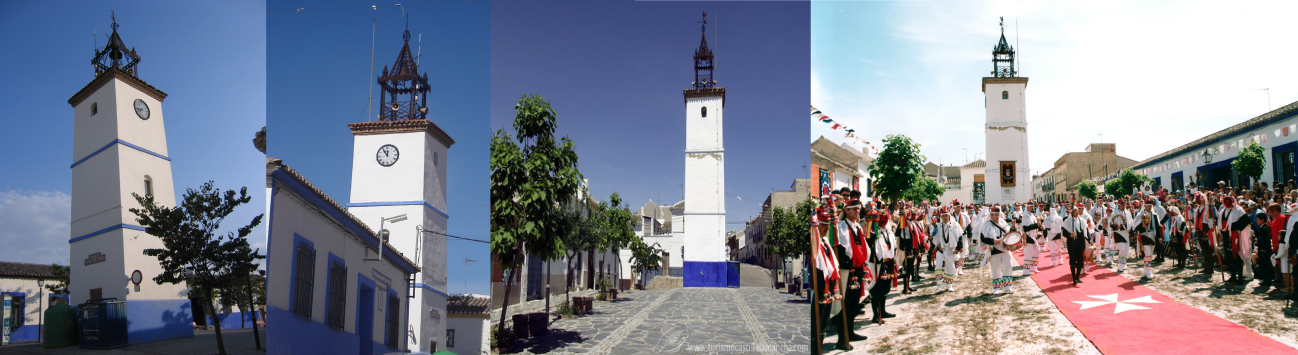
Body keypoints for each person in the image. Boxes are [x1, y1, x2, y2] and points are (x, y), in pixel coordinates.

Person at [831, 198, 868, 349]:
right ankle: (842, 338)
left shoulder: (857, 227)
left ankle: (850, 332)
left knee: (854, 303)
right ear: (846, 211)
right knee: (843, 304)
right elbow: (840, 249)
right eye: (853, 208)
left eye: (858, 208)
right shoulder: (839, 227)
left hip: (857, 269)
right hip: (846, 270)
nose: (857, 210)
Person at [868, 202, 898, 325]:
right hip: (878, 263)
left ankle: (883, 310)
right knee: (876, 289)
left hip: (888, 262)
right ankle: (876, 314)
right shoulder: (872, 232)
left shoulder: (889, 232)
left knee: (885, 288)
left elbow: (893, 246)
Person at [981, 205, 1014, 294]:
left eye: (998, 214)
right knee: (995, 269)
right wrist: (993, 240)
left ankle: (1008, 287)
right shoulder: (987, 225)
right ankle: (996, 288)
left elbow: (1009, 233)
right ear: (991, 215)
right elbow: (983, 238)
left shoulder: (1003, 223)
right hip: (994, 249)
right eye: (995, 214)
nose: (997, 216)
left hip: (1005, 248)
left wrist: (1013, 227)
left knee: (1008, 266)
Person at [934, 208, 963, 292]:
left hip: (950, 249)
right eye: (943, 216)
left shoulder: (955, 225)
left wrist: (958, 248)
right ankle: (939, 283)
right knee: (938, 264)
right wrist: (930, 237)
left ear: (949, 216)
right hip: (941, 249)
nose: (945, 217)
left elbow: (959, 236)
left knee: (949, 266)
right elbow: (934, 237)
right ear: (941, 217)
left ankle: (949, 285)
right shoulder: (938, 226)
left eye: (946, 215)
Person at [1064, 204, 1089, 285]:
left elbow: (1086, 231)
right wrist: (1069, 235)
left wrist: (1090, 239)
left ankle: (1078, 277)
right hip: (1072, 243)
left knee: (1080, 260)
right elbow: (1064, 232)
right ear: (1071, 212)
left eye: (1077, 210)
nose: (1076, 212)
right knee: (1073, 260)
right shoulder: (1067, 221)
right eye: (1074, 210)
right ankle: (1073, 277)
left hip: (1080, 242)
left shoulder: (1082, 220)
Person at [1022, 203, 1044, 275]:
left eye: (1033, 206)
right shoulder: (1026, 215)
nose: (1032, 207)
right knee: (1028, 253)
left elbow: (1034, 226)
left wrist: (1040, 227)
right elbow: (1026, 227)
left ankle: (1033, 268)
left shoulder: (1032, 215)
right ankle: (1026, 270)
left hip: (1033, 236)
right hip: (1028, 237)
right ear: (1027, 207)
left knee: (1037, 251)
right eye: (1031, 206)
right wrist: (1036, 225)